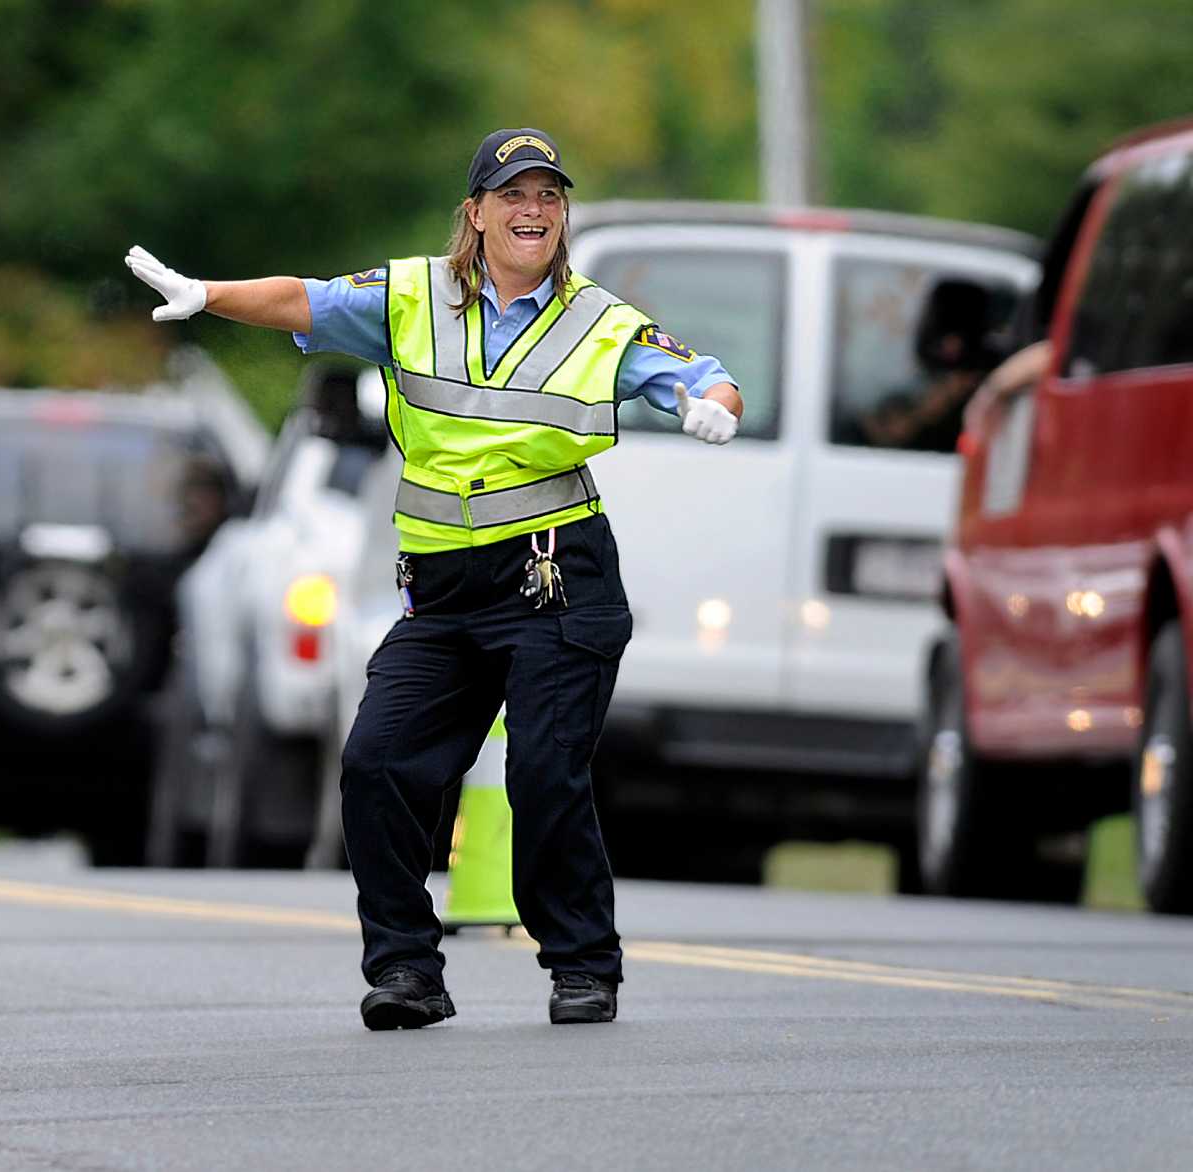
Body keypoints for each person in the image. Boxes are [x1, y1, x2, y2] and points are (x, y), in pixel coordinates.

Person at [125, 128, 744, 1029]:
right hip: (445, 596)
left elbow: (702, 376)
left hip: (555, 583)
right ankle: (407, 971)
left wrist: (705, 408)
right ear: (477, 214)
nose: (532, 212)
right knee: (376, 763)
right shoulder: (411, 296)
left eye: (548, 198)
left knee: (543, 774)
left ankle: (582, 966)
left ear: (562, 216)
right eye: (514, 197)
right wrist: (208, 294)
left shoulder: (599, 319)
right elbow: (306, 300)